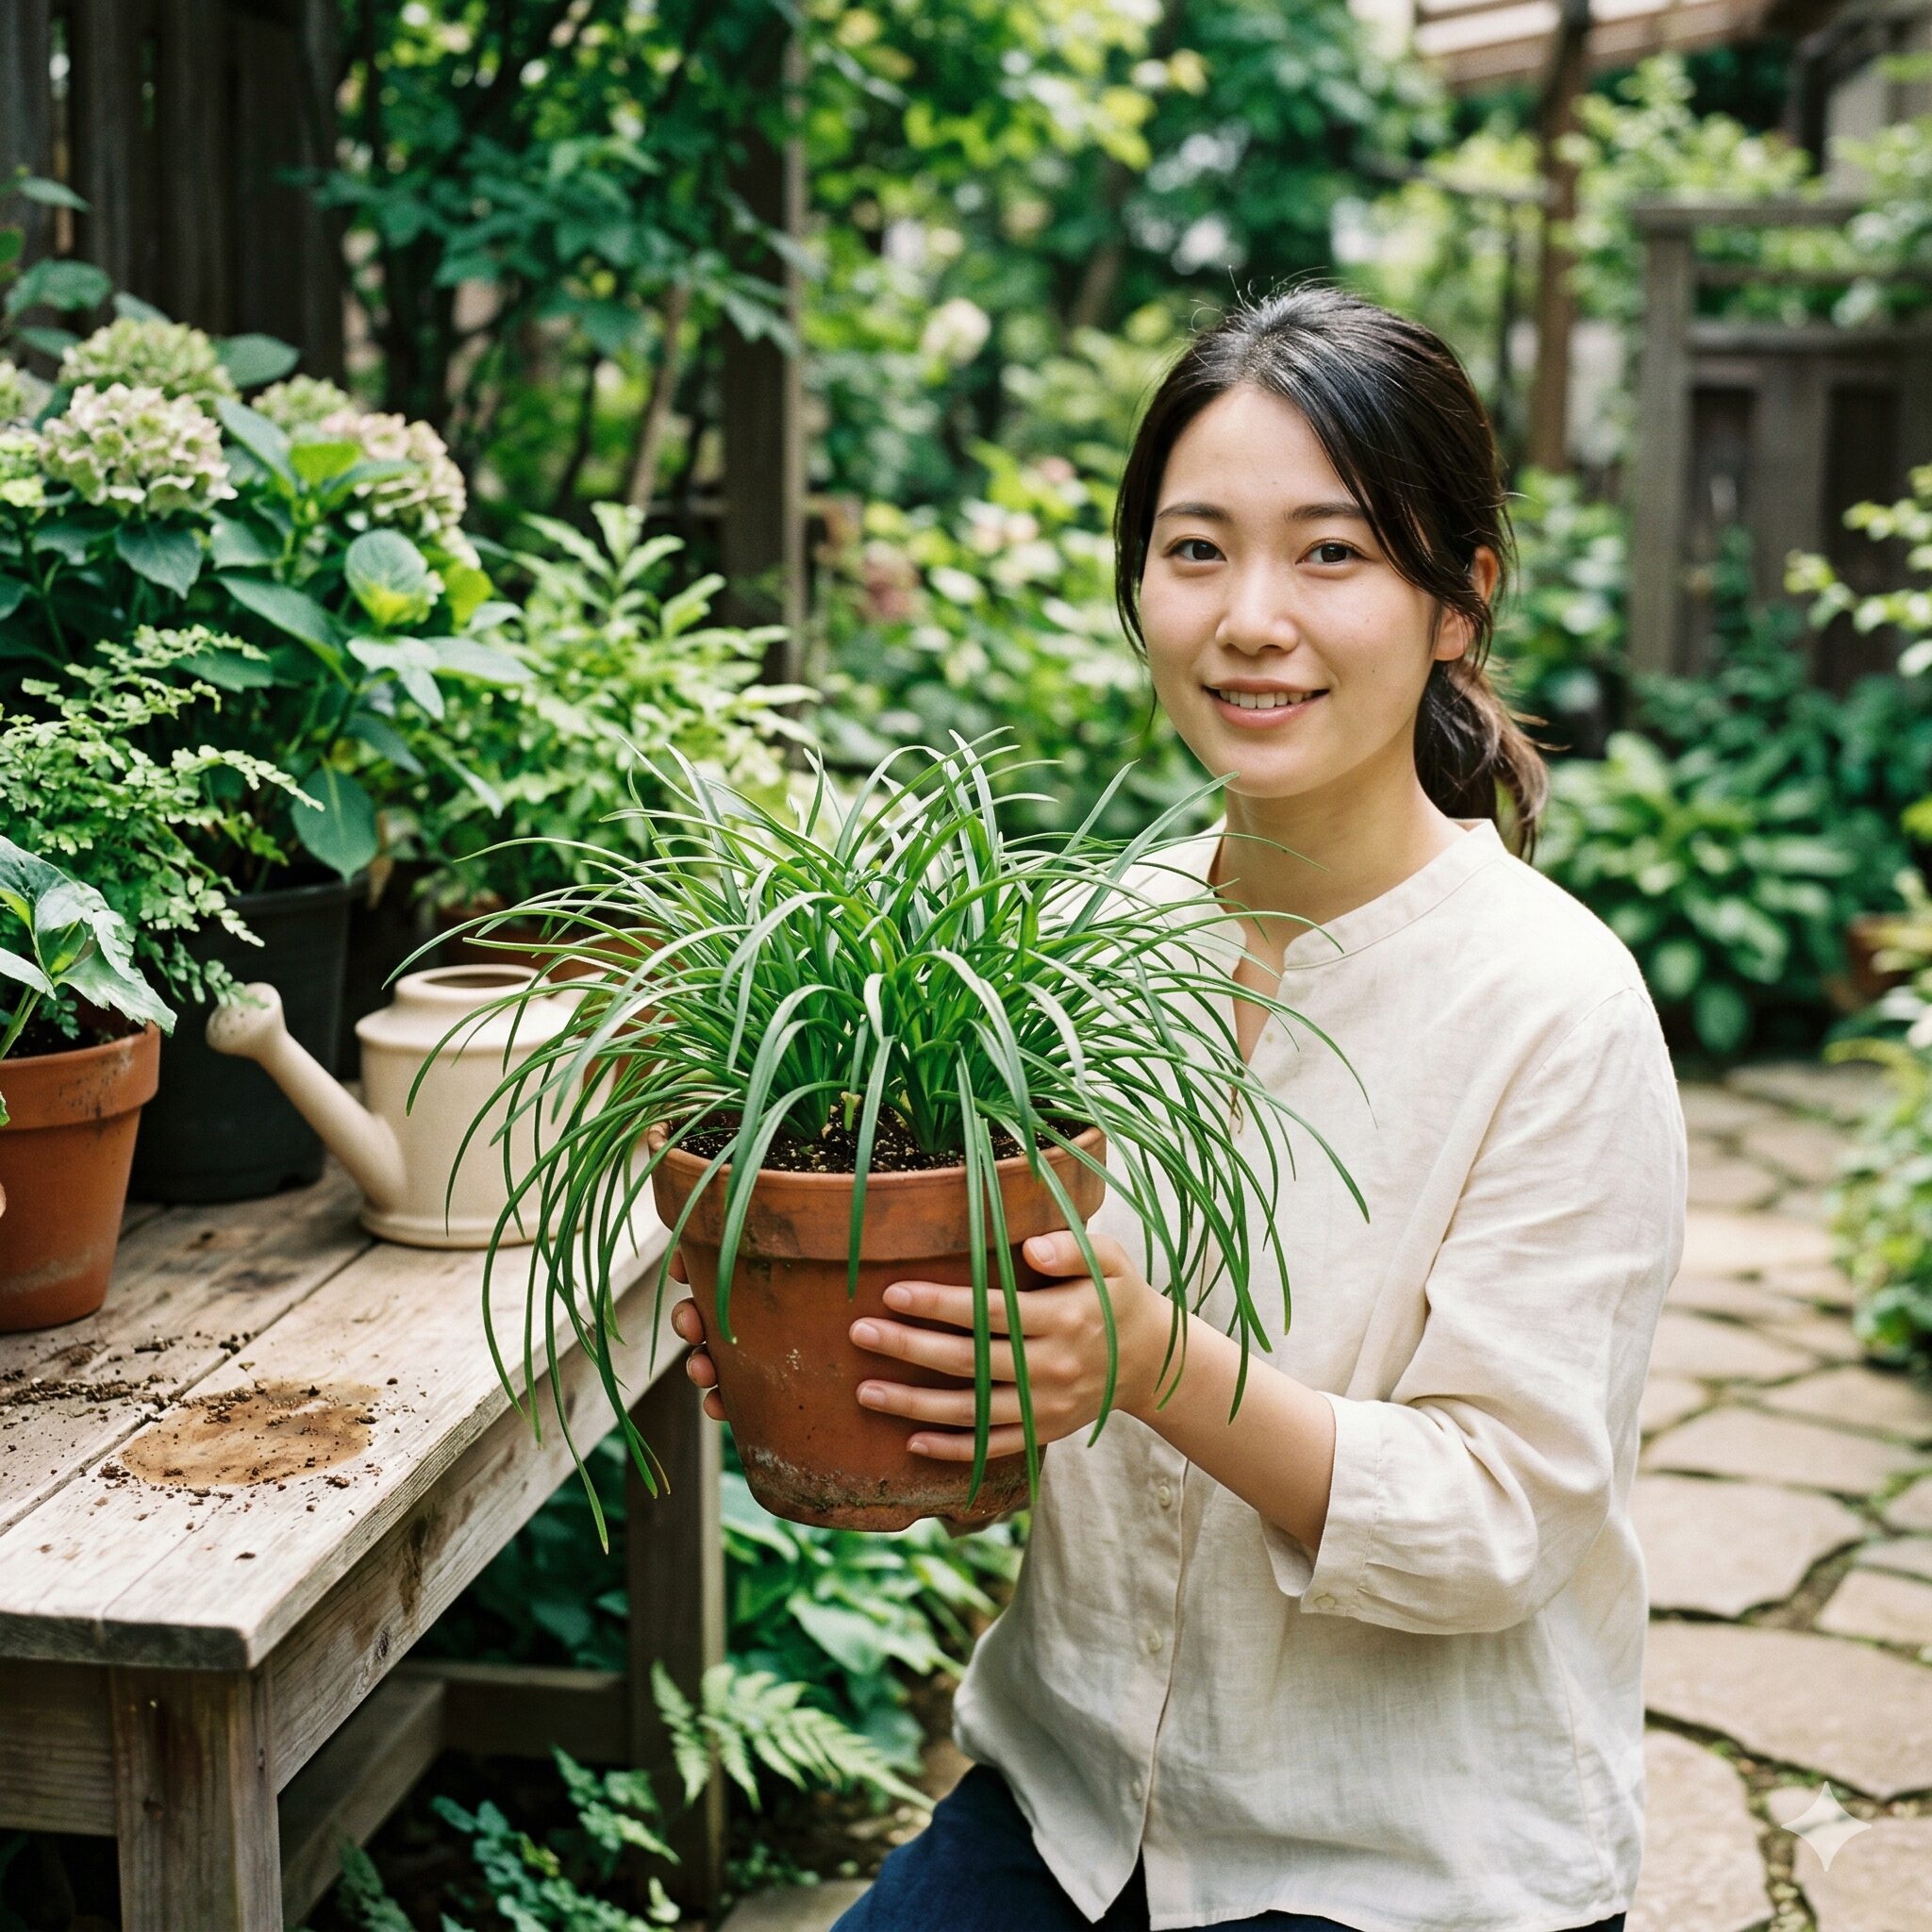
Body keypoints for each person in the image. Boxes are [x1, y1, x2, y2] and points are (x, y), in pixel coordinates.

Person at [668, 284, 1686, 1932]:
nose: (1251, 618)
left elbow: (1504, 1522)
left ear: (1459, 601)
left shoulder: (1556, 1009)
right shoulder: (1075, 951)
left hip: (1409, 1859)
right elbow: (1000, 1362)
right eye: (1197, 549)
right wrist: (826, 1337)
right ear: (1139, 583)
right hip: (1067, 1805)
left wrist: (1147, 1363)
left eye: (1334, 554)